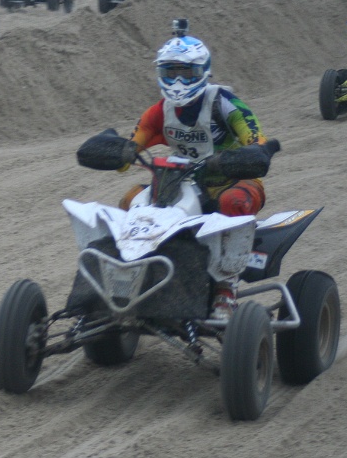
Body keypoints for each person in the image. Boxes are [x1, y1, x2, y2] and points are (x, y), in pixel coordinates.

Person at [76, 36, 279, 319]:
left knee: (232, 201)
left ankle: (226, 287)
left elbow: (257, 141)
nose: (179, 82)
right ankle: (128, 275)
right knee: (131, 199)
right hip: (180, 184)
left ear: (203, 72)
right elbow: (130, 152)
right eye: (171, 72)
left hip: (235, 181)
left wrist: (251, 154)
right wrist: (117, 150)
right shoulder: (159, 112)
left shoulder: (226, 104)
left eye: (187, 73)